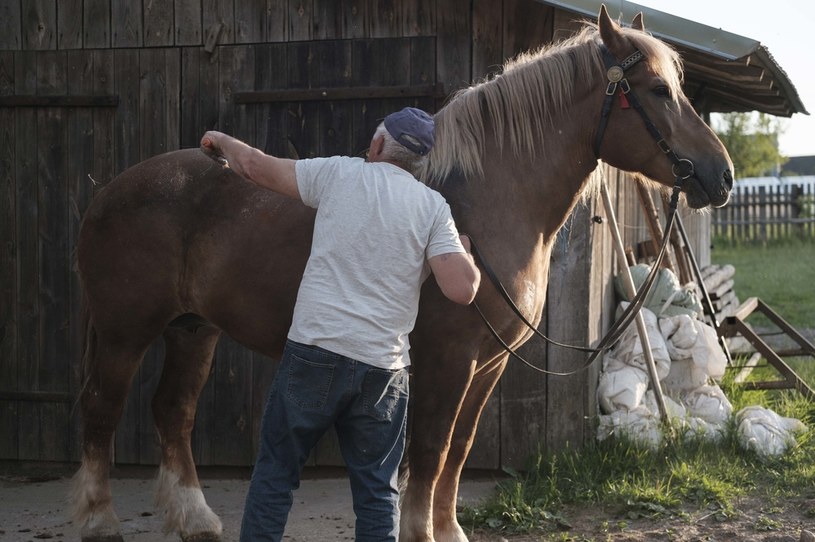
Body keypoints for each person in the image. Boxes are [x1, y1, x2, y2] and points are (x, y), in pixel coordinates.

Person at [200, 106, 481, 542]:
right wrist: (465, 255)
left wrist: (222, 141)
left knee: (276, 474)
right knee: (376, 492)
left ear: (375, 146)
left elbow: (254, 166)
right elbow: (462, 290)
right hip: (383, 373)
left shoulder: (339, 174)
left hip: (314, 354)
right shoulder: (432, 207)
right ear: (422, 163)